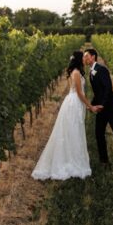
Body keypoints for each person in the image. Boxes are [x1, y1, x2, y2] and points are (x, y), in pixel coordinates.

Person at [31, 51, 94, 180]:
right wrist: (90, 106)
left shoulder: (75, 72)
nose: (84, 59)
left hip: (72, 101)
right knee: (73, 130)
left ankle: (70, 157)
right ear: (77, 59)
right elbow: (80, 93)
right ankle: (71, 161)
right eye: (82, 57)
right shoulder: (76, 73)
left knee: (72, 130)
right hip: (74, 102)